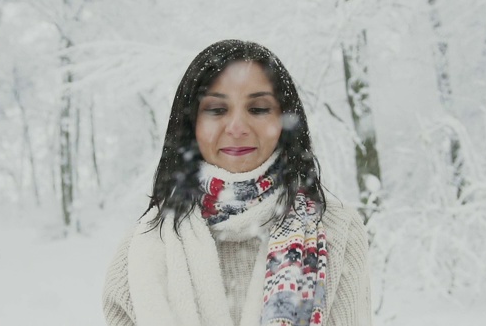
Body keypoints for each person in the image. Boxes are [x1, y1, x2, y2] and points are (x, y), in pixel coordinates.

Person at [102, 40, 371, 326]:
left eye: (258, 109)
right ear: (191, 124)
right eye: (217, 110)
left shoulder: (337, 233)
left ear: (284, 119)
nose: (237, 127)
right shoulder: (143, 253)